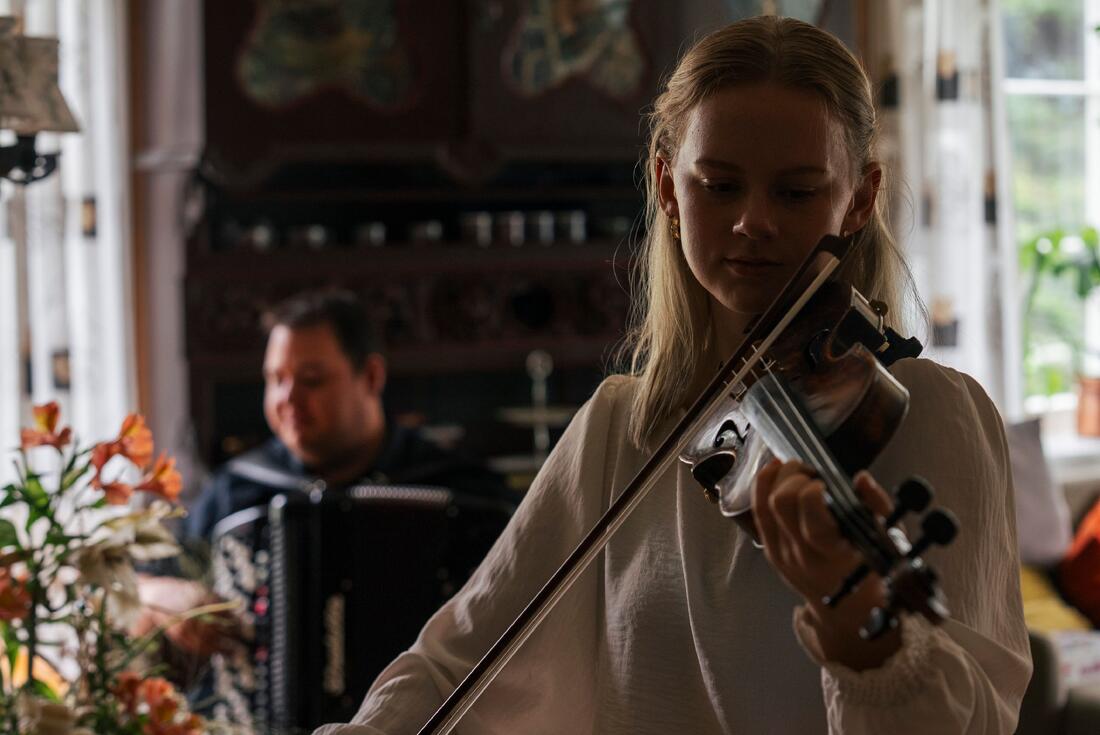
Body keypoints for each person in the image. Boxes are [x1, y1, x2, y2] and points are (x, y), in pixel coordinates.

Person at [314, 16, 1031, 735]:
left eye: (795, 192)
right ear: (665, 184)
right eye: (720, 185)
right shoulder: (623, 426)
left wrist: (865, 642)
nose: (753, 221)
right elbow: (453, 666)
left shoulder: (931, 413)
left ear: (861, 198)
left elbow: (976, 722)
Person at [135, 288, 509, 657]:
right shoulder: (238, 489)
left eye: (311, 379)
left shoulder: (460, 490)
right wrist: (166, 596)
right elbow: (140, 581)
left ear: (372, 376)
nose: (287, 399)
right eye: (276, 379)